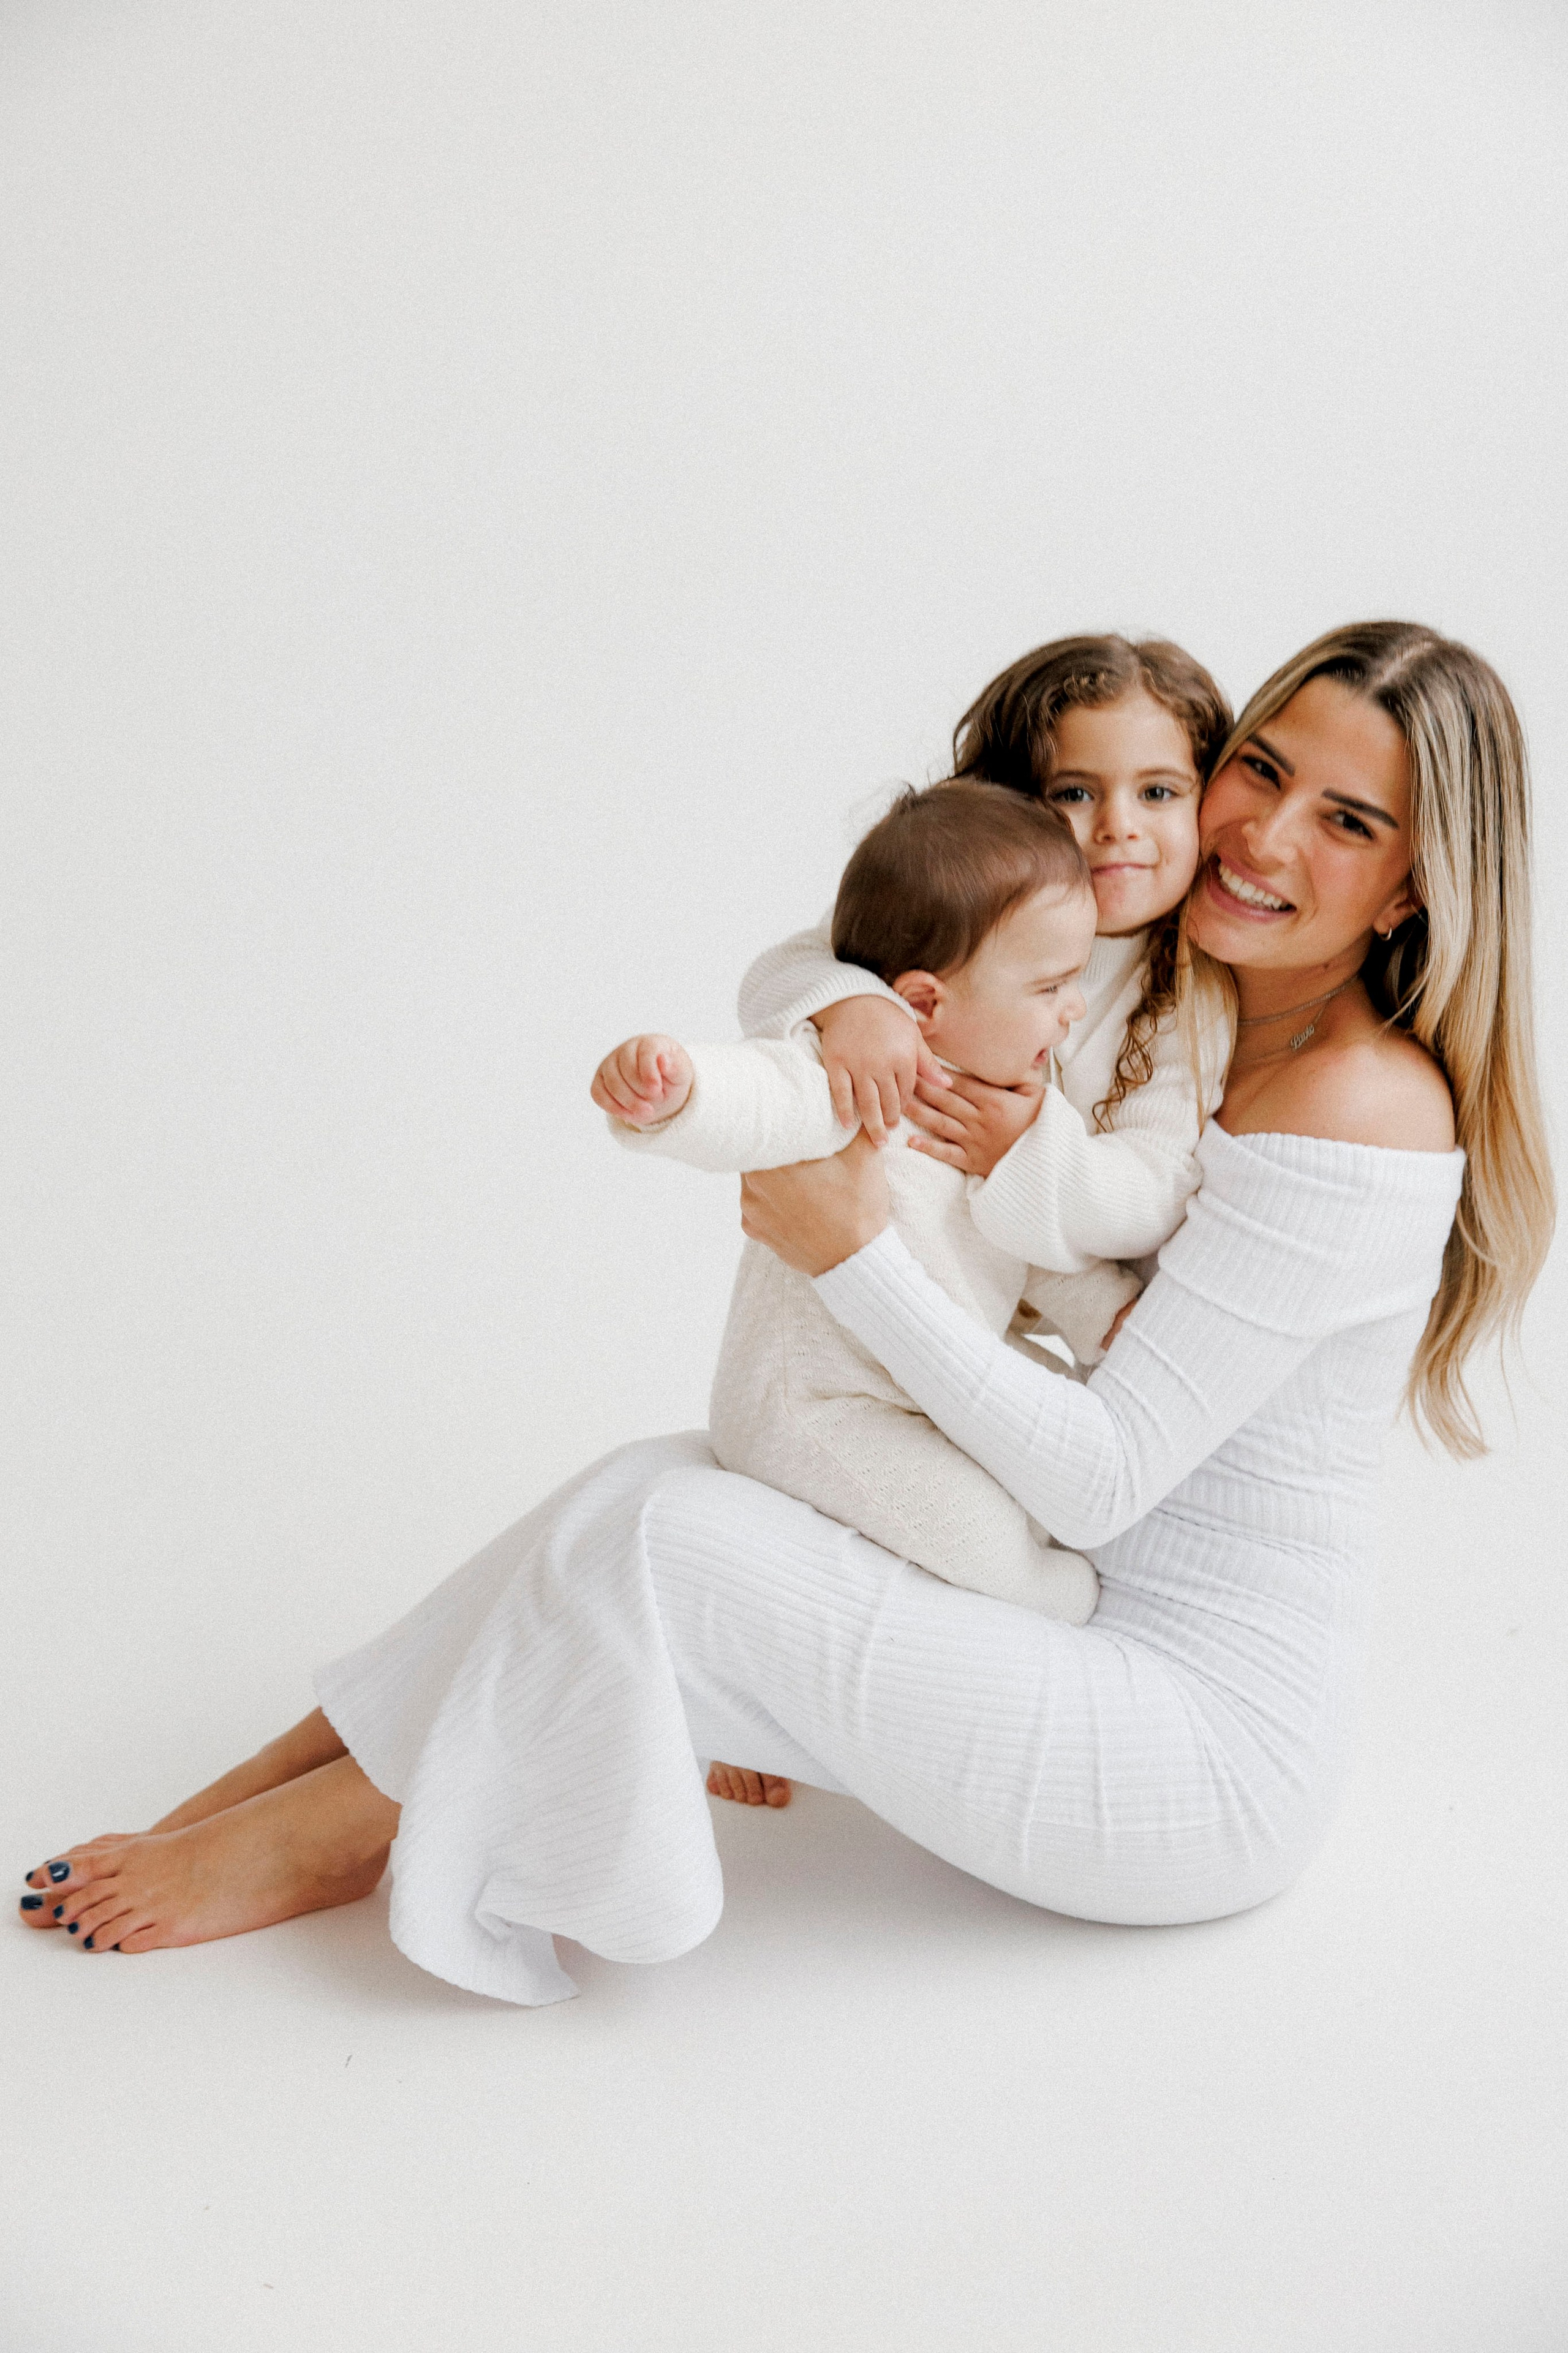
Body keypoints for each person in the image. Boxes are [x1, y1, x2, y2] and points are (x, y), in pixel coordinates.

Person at [20, 624, 1553, 2009]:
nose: (1259, 835)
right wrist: (843, 998)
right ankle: (303, 1767)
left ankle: (339, 1836)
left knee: (674, 1548)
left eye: (1346, 822)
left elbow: (1099, 1478)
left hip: (1188, 1757)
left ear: (1417, 883)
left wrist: (850, 1257)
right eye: (1261, 771)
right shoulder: (1173, 1007)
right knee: (652, 1483)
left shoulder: (1356, 1105)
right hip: (1061, 1624)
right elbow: (892, 935)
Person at [595, 781, 1121, 1623]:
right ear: (923, 1005)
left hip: (917, 1385)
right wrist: (681, 1090)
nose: (1076, 1006)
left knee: (1053, 1441)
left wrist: (1104, 1312)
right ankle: (1066, 1607)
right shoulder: (855, 1075)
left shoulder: (1002, 1104)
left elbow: (1026, 1234)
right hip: (815, 1406)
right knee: (986, 1539)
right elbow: (764, 1096)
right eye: (1051, 985)